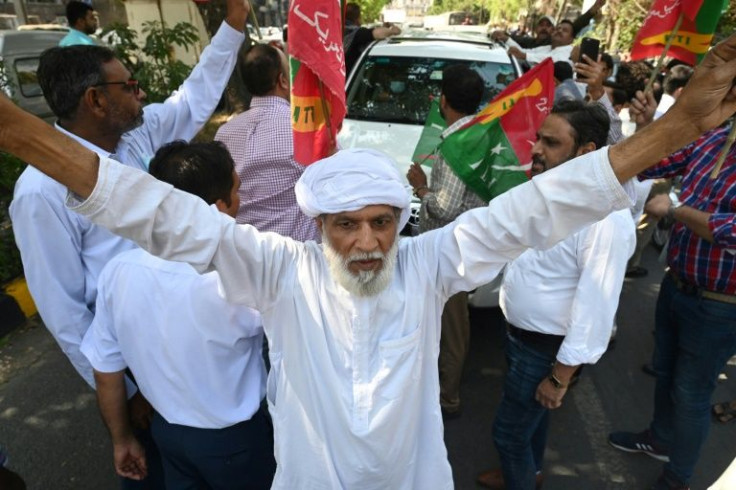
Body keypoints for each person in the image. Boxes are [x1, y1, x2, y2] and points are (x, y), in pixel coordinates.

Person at [1, 30, 735, 490]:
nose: (366, 242)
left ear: (401, 222)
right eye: (346, 224)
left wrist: (668, 131)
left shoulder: (426, 266)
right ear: (317, 225)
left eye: (382, 223)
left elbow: (536, 210)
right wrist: (21, 133)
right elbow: (158, 214)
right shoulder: (278, 272)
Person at [9, 0, 249, 486]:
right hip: (138, 365)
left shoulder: (135, 138)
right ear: (96, 101)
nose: (142, 95)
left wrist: (235, 22)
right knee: (161, 469)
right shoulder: (40, 193)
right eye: (130, 87)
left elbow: (194, 97)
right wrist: (126, 392)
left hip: (195, 332)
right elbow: (66, 313)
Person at [80, 141, 276, 489]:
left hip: (167, 434)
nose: (241, 200)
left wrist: (122, 439)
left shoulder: (117, 271)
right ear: (217, 208)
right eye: (238, 190)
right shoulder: (237, 277)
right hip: (234, 441)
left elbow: (106, 370)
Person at [477, 100, 636, 490]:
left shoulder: (606, 220)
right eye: (538, 139)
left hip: (545, 349)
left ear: (586, 151)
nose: (535, 150)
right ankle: (528, 471)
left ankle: (520, 473)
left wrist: (560, 377)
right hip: (519, 336)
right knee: (532, 419)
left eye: (551, 143)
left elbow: (596, 305)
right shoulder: (548, 192)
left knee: (509, 433)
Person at [608, 86, 736, 490]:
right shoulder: (716, 135)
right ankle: (659, 441)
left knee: (692, 393)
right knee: (665, 374)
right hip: (678, 285)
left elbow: (731, 231)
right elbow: (657, 162)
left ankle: (677, 477)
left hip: (721, 305)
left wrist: (675, 209)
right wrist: (647, 127)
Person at [405, 65, 487, 418]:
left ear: (443, 101)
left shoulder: (457, 145)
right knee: (440, 321)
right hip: (462, 244)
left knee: (452, 325)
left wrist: (420, 187)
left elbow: (444, 206)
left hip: (450, 249)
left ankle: (446, 397)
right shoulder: (479, 133)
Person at [215, 44, 319, 241]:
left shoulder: (224, 134)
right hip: (295, 257)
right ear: (282, 81)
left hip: (245, 254)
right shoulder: (305, 130)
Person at [343, 2, 401, 74]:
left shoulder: (337, 31)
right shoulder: (357, 34)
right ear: (358, 18)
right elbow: (376, 34)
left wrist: (383, 27)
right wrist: (392, 30)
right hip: (349, 79)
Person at [506, 20, 576, 65]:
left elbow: (550, 60)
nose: (559, 31)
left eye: (565, 30)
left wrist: (524, 55)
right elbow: (524, 52)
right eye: (558, 28)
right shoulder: (548, 48)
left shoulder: (570, 51)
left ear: (571, 40)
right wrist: (506, 39)